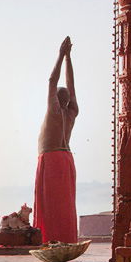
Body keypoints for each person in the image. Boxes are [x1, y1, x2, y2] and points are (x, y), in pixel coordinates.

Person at [34, 36, 79, 243]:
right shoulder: (72, 112)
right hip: (66, 158)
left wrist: (61, 55)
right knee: (65, 204)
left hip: (52, 159)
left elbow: (53, 81)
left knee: (50, 205)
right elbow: (71, 86)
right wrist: (70, 59)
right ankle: (67, 239)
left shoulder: (54, 111)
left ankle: (51, 239)